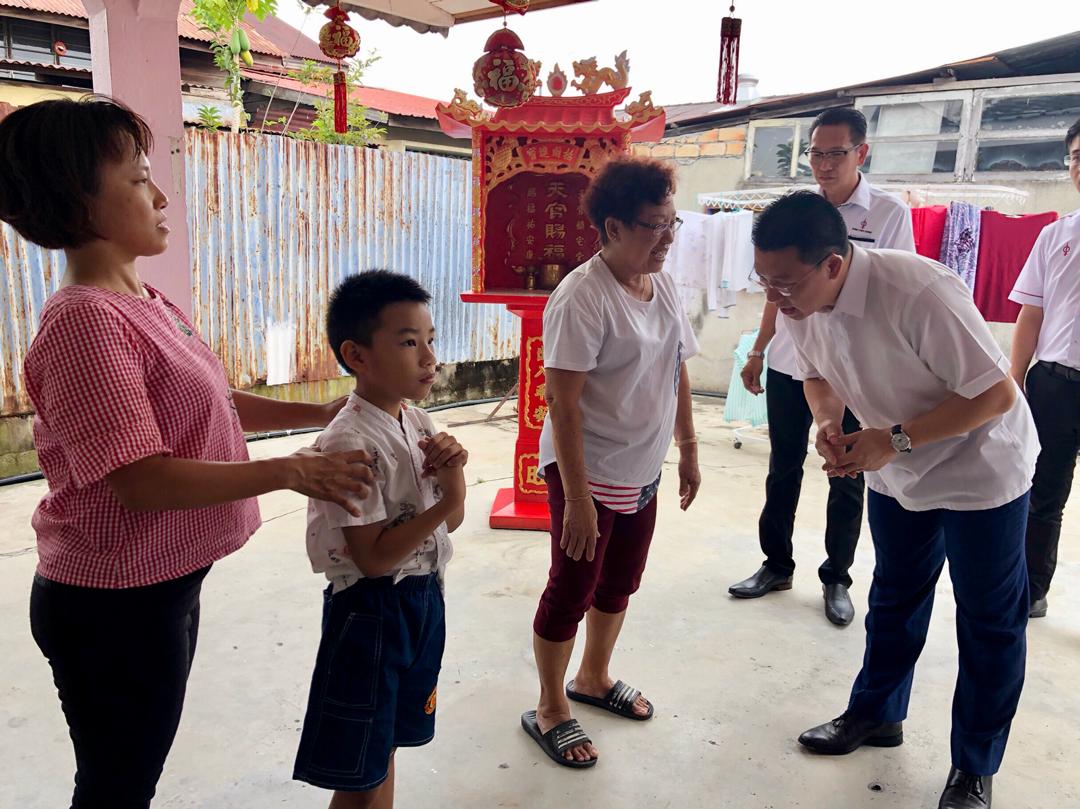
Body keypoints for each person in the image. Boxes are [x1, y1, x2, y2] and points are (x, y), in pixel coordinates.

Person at [0, 97, 374, 808]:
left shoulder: (142, 300)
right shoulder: (84, 320)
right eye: (140, 179)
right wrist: (291, 470)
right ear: (79, 200)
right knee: (116, 787)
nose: (161, 197)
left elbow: (211, 401)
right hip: (112, 604)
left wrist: (315, 413)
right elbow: (142, 480)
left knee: (128, 776)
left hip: (160, 587)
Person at [752, 192, 1037, 809]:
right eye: (763, 282)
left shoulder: (919, 291)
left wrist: (894, 439)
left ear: (833, 264)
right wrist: (829, 422)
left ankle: (974, 765)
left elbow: (995, 395)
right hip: (895, 467)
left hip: (980, 471)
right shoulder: (800, 303)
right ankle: (878, 713)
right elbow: (817, 375)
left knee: (988, 619)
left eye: (784, 284)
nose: (774, 298)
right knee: (894, 596)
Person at [521, 156, 701, 769]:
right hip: (588, 470)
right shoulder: (581, 297)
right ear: (614, 227)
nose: (667, 238)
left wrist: (688, 448)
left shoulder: (662, 282)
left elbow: (677, 366)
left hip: (642, 467)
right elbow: (563, 404)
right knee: (572, 587)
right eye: (655, 226)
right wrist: (576, 500)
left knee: (620, 580)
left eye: (672, 223)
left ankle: (593, 678)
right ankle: (551, 706)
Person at [731, 107, 916, 627]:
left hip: (853, 370)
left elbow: (893, 289)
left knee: (847, 471)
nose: (824, 164)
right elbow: (778, 289)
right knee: (783, 464)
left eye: (836, 153)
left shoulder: (888, 214)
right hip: (794, 363)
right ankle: (776, 564)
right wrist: (759, 349)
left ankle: (837, 577)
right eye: (815, 153)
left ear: (862, 153)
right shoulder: (797, 211)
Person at [293, 270, 468, 808]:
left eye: (431, 339)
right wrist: (450, 499)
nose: (429, 358)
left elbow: (448, 525)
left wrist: (451, 482)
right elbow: (371, 560)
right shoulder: (349, 442)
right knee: (360, 773)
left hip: (421, 599)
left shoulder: (418, 422)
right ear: (358, 355)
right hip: (372, 612)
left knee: (385, 745)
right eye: (409, 342)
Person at [1008, 116, 1080, 619]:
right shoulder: (1056, 235)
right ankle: (1032, 589)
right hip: (1054, 384)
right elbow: (1030, 312)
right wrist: (1015, 379)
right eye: (1077, 158)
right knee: (1042, 494)